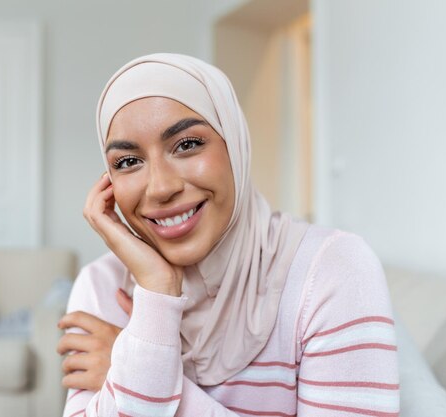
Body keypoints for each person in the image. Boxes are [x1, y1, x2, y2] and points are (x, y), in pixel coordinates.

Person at [57, 53, 399, 417]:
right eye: (128, 162)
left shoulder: (332, 268)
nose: (159, 188)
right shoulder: (101, 284)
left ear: (235, 145)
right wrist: (157, 290)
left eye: (187, 144)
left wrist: (144, 372)